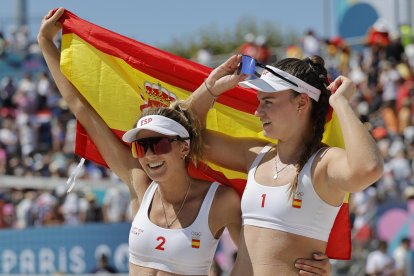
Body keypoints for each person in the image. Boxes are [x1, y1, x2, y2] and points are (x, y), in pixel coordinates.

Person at [38, 8, 332, 276]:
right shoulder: (140, 184)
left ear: (183, 147)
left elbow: (259, 257)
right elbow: (81, 110)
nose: (149, 155)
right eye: (142, 146)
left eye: (160, 144)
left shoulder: (219, 201)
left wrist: (309, 262)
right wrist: (46, 45)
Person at [186, 54, 384, 275]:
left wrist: (340, 102)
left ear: (301, 102)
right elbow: (187, 137)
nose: (257, 111)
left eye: (268, 102)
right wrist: (211, 87)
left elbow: (369, 168)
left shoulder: (323, 163)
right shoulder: (256, 155)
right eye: (259, 101)